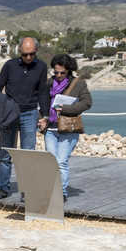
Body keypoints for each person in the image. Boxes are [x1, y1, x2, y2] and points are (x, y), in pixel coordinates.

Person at [0, 36, 49, 198]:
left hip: (30, 114)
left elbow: (43, 92)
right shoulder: (9, 66)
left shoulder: (42, 67)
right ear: (19, 52)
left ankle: (27, 191)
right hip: (9, 114)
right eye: (25, 54)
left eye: (32, 54)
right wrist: (2, 106)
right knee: (5, 153)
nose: (28, 57)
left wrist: (45, 116)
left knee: (28, 155)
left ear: (36, 52)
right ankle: (2, 188)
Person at [40, 54, 93, 199]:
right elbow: (43, 102)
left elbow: (87, 103)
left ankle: (61, 193)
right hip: (50, 128)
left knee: (61, 162)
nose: (58, 75)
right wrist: (42, 118)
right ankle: (52, 189)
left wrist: (65, 109)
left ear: (69, 70)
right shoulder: (49, 83)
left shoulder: (78, 84)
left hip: (68, 128)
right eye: (55, 72)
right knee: (51, 162)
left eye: (62, 72)